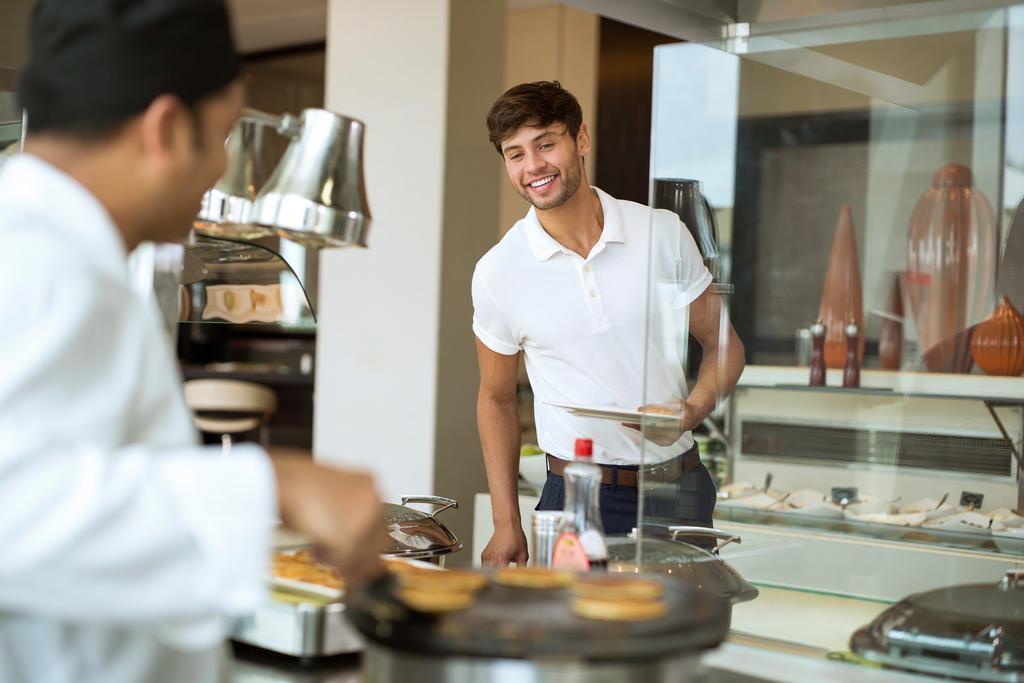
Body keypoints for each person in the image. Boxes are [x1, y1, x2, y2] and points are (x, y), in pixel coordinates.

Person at [0, 1, 384, 681]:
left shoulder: (64, 250)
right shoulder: (35, 258)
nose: (219, 170)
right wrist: (278, 482)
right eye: (224, 135)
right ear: (166, 128)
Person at [473, 81, 745, 566]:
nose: (532, 166)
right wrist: (505, 522)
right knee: (576, 640)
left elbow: (724, 345)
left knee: (683, 640)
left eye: (545, 144)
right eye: (515, 154)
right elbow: (495, 398)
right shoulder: (499, 271)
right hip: (578, 498)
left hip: (679, 489)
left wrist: (695, 407)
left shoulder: (661, 233)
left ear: (581, 140)